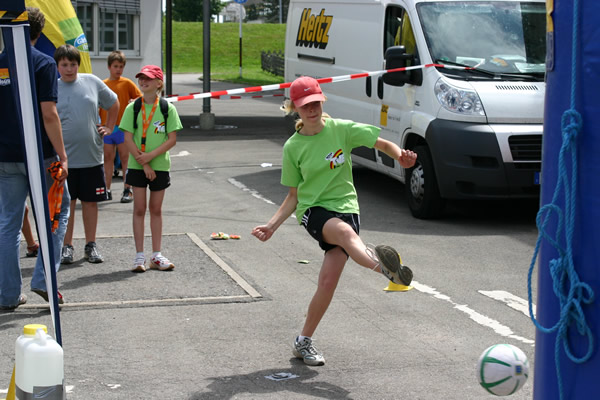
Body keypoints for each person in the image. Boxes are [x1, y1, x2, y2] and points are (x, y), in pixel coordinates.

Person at [251, 76, 417, 365]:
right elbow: (293, 196)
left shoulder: (341, 129)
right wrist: (272, 225)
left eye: (315, 103)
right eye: (305, 105)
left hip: (347, 206)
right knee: (345, 235)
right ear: (294, 107)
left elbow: (382, 144)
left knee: (327, 283)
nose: (311, 109)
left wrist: (400, 156)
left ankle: (303, 341)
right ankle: (388, 271)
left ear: (322, 101)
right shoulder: (293, 147)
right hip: (313, 210)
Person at [0, 7, 70, 310]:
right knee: (56, 213)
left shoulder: (1, 62)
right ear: (38, 33)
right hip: (40, 154)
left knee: (8, 223)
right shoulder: (43, 62)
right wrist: (63, 155)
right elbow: (48, 113)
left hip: (5, 157)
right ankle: (44, 279)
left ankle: (7, 294)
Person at [55, 44, 119, 265]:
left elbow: (114, 103)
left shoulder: (91, 81)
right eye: (64, 64)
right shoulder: (52, 87)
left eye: (73, 64)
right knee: (68, 204)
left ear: (78, 65)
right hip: (64, 159)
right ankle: (67, 246)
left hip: (91, 156)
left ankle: (91, 245)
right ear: (57, 66)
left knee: (91, 203)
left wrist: (109, 127)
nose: (69, 69)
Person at [119, 65, 182, 272]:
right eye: (141, 78)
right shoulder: (133, 108)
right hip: (138, 165)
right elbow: (127, 138)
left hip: (160, 165)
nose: (143, 81)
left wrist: (151, 157)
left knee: (156, 209)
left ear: (158, 83)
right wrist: (144, 163)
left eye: (148, 78)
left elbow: (172, 139)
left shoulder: (166, 108)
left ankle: (156, 255)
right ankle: (139, 256)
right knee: (139, 209)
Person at [99, 50, 142, 203]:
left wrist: (133, 102)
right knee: (108, 158)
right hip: (107, 127)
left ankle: (127, 189)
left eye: (121, 67)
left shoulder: (127, 83)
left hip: (123, 128)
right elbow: (97, 104)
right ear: (109, 67)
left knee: (125, 158)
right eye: (115, 66)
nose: (118, 69)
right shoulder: (103, 84)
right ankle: (107, 189)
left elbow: (140, 98)